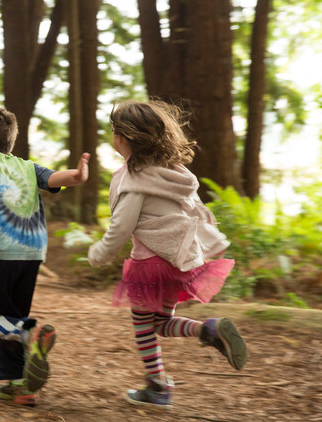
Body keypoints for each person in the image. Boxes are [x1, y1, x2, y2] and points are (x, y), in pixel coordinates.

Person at [87, 99, 248, 409]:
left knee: (143, 329)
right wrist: (213, 243)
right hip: (178, 261)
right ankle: (207, 330)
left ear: (123, 138)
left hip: (148, 264)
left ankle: (158, 387)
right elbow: (196, 211)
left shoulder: (133, 178)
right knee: (160, 322)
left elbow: (121, 226)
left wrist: (99, 253)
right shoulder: (173, 172)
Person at [0, 107, 90, 407]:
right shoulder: (27, 167)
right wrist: (78, 175)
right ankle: (20, 385)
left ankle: (29, 336)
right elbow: (56, 178)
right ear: (11, 143)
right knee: (12, 316)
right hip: (31, 253)